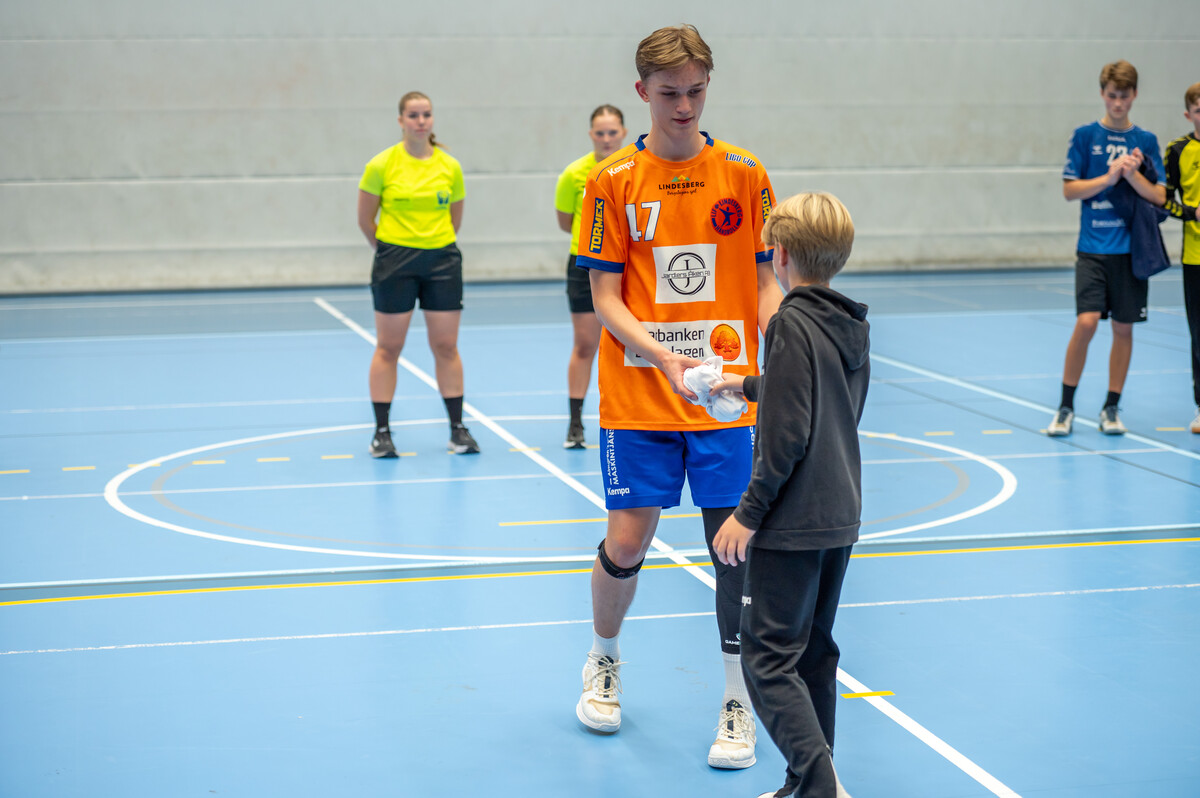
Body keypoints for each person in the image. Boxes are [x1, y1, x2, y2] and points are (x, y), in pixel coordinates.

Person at [571, 24, 783, 770]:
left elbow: (764, 282)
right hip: (640, 394)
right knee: (628, 542)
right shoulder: (612, 182)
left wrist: (786, 337)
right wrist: (664, 359)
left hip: (725, 398)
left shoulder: (746, 174)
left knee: (734, 549)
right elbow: (604, 297)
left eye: (695, 91)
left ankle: (737, 699)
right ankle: (603, 658)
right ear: (642, 93)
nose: (684, 106)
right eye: (669, 93)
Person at [710, 192, 867, 798]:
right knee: (813, 654)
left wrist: (747, 515)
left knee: (769, 658)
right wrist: (748, 384)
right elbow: (813, 390)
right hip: (839, 511)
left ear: (779, 256)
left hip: (793, 518)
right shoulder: (846, 321)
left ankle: (822, 787)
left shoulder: (789, 322)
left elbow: (786, 433)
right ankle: (805, 784)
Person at [357, 91, 480, 457]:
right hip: (395, 261)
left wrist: (433, 244)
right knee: (389, 346)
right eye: (413, 115)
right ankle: (382, 433)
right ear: (401, 121)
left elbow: (455, 219)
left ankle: (457, 429)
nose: (421, 121)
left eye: (426, 114)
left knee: (446, 346)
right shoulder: (381, 165)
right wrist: (391, 250)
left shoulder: (449, 166)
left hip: (442, 260)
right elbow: (365, 220)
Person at [1047, 60, 1165, 438]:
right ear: (1102, 94)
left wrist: (1132, 175)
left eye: (1124, 96)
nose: (1117, 103)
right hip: (1093, 249)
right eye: (1112, 96)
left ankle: (1111, 407)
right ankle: (1065, 407)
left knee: (1123, 328)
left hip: (1131, 252)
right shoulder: (1085, 136)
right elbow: (1070, 190)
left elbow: (1160, 196)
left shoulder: (1146, 141)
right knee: (1086, 322)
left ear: (1134, 96)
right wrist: (1110, 177)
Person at [1123, 82, 1200, 433]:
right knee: (1198, 336)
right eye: (1198, 111)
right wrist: (1192, 213)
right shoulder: (1177, 150)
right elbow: (1165, 201)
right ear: (1188, 114)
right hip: (1195, 257)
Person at [554, 105, 628, 448]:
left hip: (627, 267)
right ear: (591, 135)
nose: (607, 139)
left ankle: (629, 414)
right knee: (586, 344)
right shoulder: (574, 174)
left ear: (623, 133)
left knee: (630, 344)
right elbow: (566, 222)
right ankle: (575, 422)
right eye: (600, 133)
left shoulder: (634, 169)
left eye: (612, 132)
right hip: (585, 267)